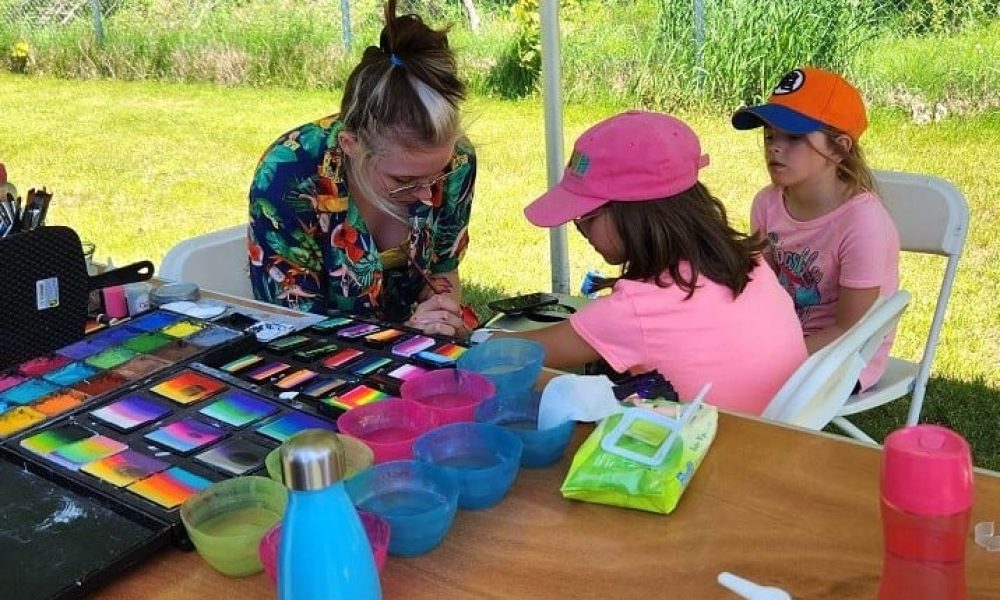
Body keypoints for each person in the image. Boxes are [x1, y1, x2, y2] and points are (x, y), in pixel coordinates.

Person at [504, 111, 807, 416]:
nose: (579, 230)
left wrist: (466, 336)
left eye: (585, 219)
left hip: (710, 451)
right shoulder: (750, 260)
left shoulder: (636, 308)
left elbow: (514, 356)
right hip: (777, 430)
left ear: (634, 216)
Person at [248, 0, 477, 338]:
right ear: (350, 145)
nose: (428, 194)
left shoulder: (456, 161)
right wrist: (402, 339)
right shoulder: (288, 177)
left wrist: (442, 318)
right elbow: (292, 331)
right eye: (404, 180)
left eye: (437, 174)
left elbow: (444, 272)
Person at [732, 66, 900, 392]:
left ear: (838, 148)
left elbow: (851, 328)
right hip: (781, 337)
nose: (774, 147)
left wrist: (772, 358)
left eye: (793, 137)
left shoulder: (863, 223)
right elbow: (758, 288)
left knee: (739, 387)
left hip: (846, 355)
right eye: (769, 135)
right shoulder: (767, 203)